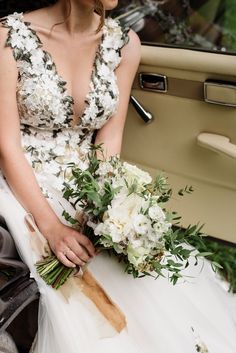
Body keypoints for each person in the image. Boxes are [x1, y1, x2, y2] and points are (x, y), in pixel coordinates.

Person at [0, 1, 235, 352]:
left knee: (146, 287)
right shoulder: (8, 37)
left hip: (85, 184)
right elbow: (7, 146)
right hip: (22, 180)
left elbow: (109, 139)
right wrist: (51, 226)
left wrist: (106, 206)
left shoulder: (125, 44)